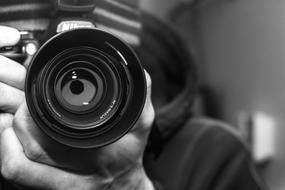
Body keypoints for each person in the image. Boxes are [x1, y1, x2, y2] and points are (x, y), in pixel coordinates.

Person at [0, 0, 268, 190]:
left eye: (92, 59)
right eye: (35, 57)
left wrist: (131, 186)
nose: (66, 89)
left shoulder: (211, 156)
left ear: (129, 60)